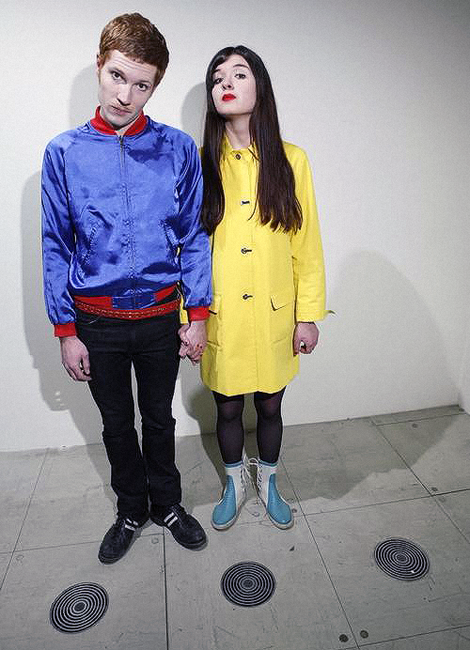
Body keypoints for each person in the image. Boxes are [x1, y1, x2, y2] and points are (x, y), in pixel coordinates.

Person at [41, 13, 211, 563]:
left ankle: (169, 504)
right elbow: (55, 244)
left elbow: (194, 235)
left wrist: (198, 315)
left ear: (154, 86)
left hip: (161, 318)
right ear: (100, 66)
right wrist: (66, 330)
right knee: (117, 425)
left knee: (159, 420)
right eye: (117, 76)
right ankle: (131, 509)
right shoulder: (64, 153)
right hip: (97, 322)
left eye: (142, 85)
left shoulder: (178, 149)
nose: (125, 95)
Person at [198, 45, 328, 530]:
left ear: (260, 86)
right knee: (227, 406)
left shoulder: (292, 160)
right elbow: (188, 249)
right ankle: (234, 484)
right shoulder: (201, 163)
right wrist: (189, 318)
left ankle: (269, 482)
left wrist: (307, 315)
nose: (225, 84)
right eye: (217, 78)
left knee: (270, 405)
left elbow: (306, 245)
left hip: (276, 311)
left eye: (238, 74)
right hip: (223, 313)